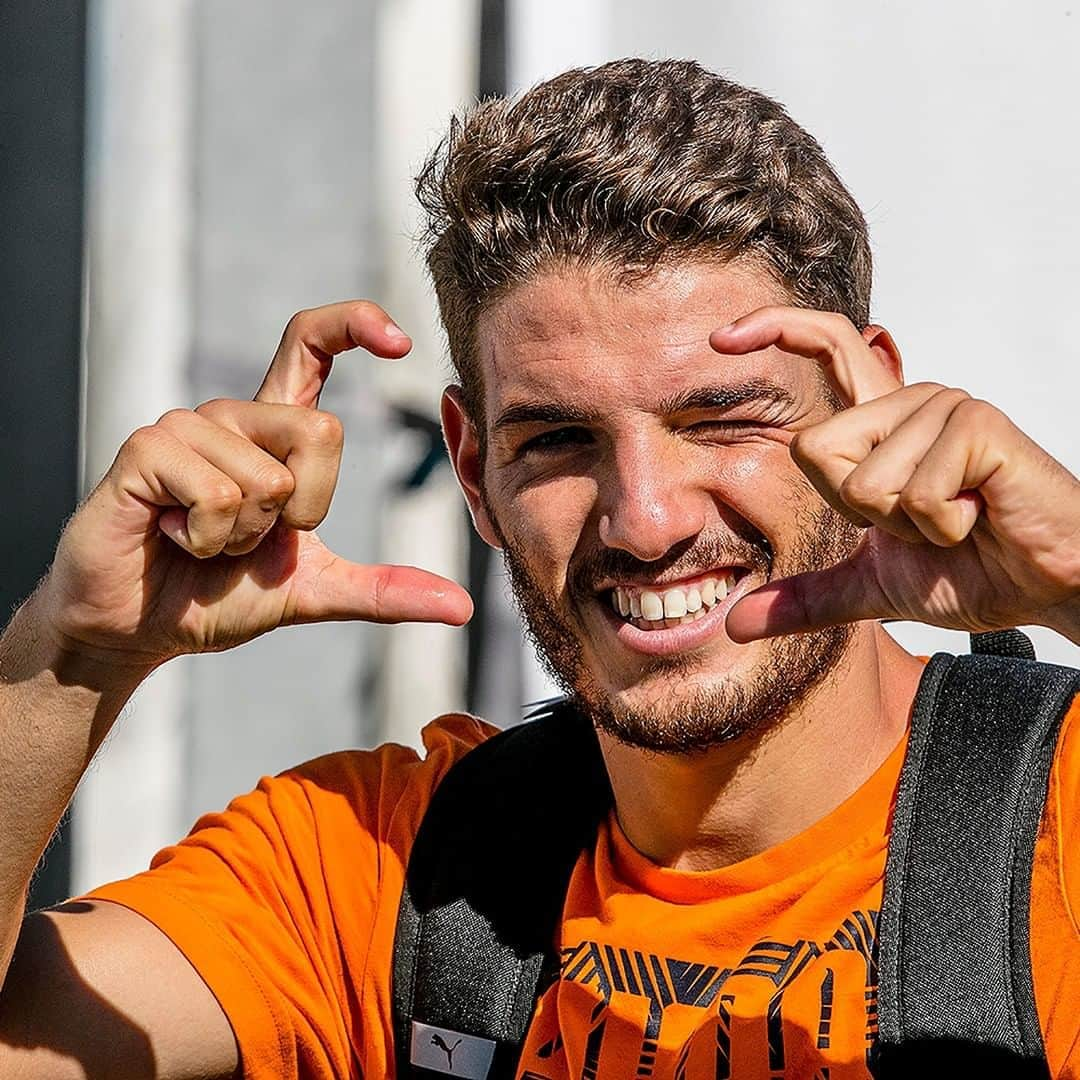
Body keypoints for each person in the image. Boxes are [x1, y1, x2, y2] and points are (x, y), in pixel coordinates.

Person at [0, 57, 1077, 1079]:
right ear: (474, 470)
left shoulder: (1058, 817)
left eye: (722, 420)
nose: (646, 521)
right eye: (558, 441)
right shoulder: (386, 873)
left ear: (868, 407)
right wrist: (72, 651)